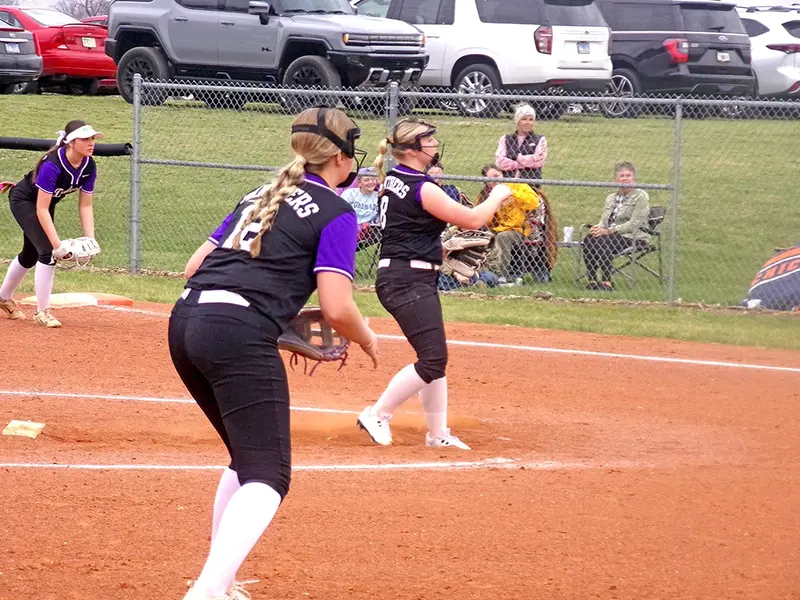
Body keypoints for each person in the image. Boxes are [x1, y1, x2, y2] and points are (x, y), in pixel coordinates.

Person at [170, 107, 380, 600]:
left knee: (246, 459)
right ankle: (204, 593)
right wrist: (368, 338)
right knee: (268, 476)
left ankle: (218, 586)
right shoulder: (337, 211)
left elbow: (194, 265)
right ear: (343, 158)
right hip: (234, 332)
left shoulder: (259, 195)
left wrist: (271, 315)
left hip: (185, 322)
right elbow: (336, 306)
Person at [356, 117, 512, 450]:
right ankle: (378, 413)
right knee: (433, 359)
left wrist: (438, 249)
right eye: (429, 141)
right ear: (412, 150)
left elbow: (406, 231)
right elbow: (472, 219)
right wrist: (498, 194)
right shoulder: (420, 185)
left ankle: (437, 433)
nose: (434, 146)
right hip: (407, 279)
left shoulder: (396, 179)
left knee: (433, 356)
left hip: (409, 274)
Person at [0, 120, 103, 328]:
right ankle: (43, 312)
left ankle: (2, 298)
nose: (91, 143)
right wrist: (58, 245)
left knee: (30, 254)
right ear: (71, 143)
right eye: (85, 138)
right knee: (48, 252)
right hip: (25, 201)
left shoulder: (89, 165)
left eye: (92, 138)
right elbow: (41, 209)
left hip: (44, 204)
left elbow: (85, 206)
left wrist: (90, 238)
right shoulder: (52, 165)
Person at [583, 161, 650, 291]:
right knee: (589, 239)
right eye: (621, 176)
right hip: (609, 235)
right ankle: (592, 280)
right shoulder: (611, 198)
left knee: (602, 240)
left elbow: (634, 224)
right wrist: (598, 228)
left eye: (628, 175)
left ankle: (607, 282)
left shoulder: (641, 196)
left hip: (632, 236)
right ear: (616, 179)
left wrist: (609, 231)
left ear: (634, 178)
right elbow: (604, 220)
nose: (625, 178)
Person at [494, 103, 548, 183]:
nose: (528, 122)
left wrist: (518, 158)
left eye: (531, 119)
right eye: (524, 119)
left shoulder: (540, 139)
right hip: (508, 183)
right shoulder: (505, 139)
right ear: (518, 121)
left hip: (531, 184)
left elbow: (538, 161)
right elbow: (500, 161)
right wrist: (520, 164)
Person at [340, 166, 382, 251]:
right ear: (359, 183)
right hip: (347, 227)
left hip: (368, 232)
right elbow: (339, 211)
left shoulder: (379, 197)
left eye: (373, 179)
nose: (371, 182)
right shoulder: (349, 193)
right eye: (366, 180)